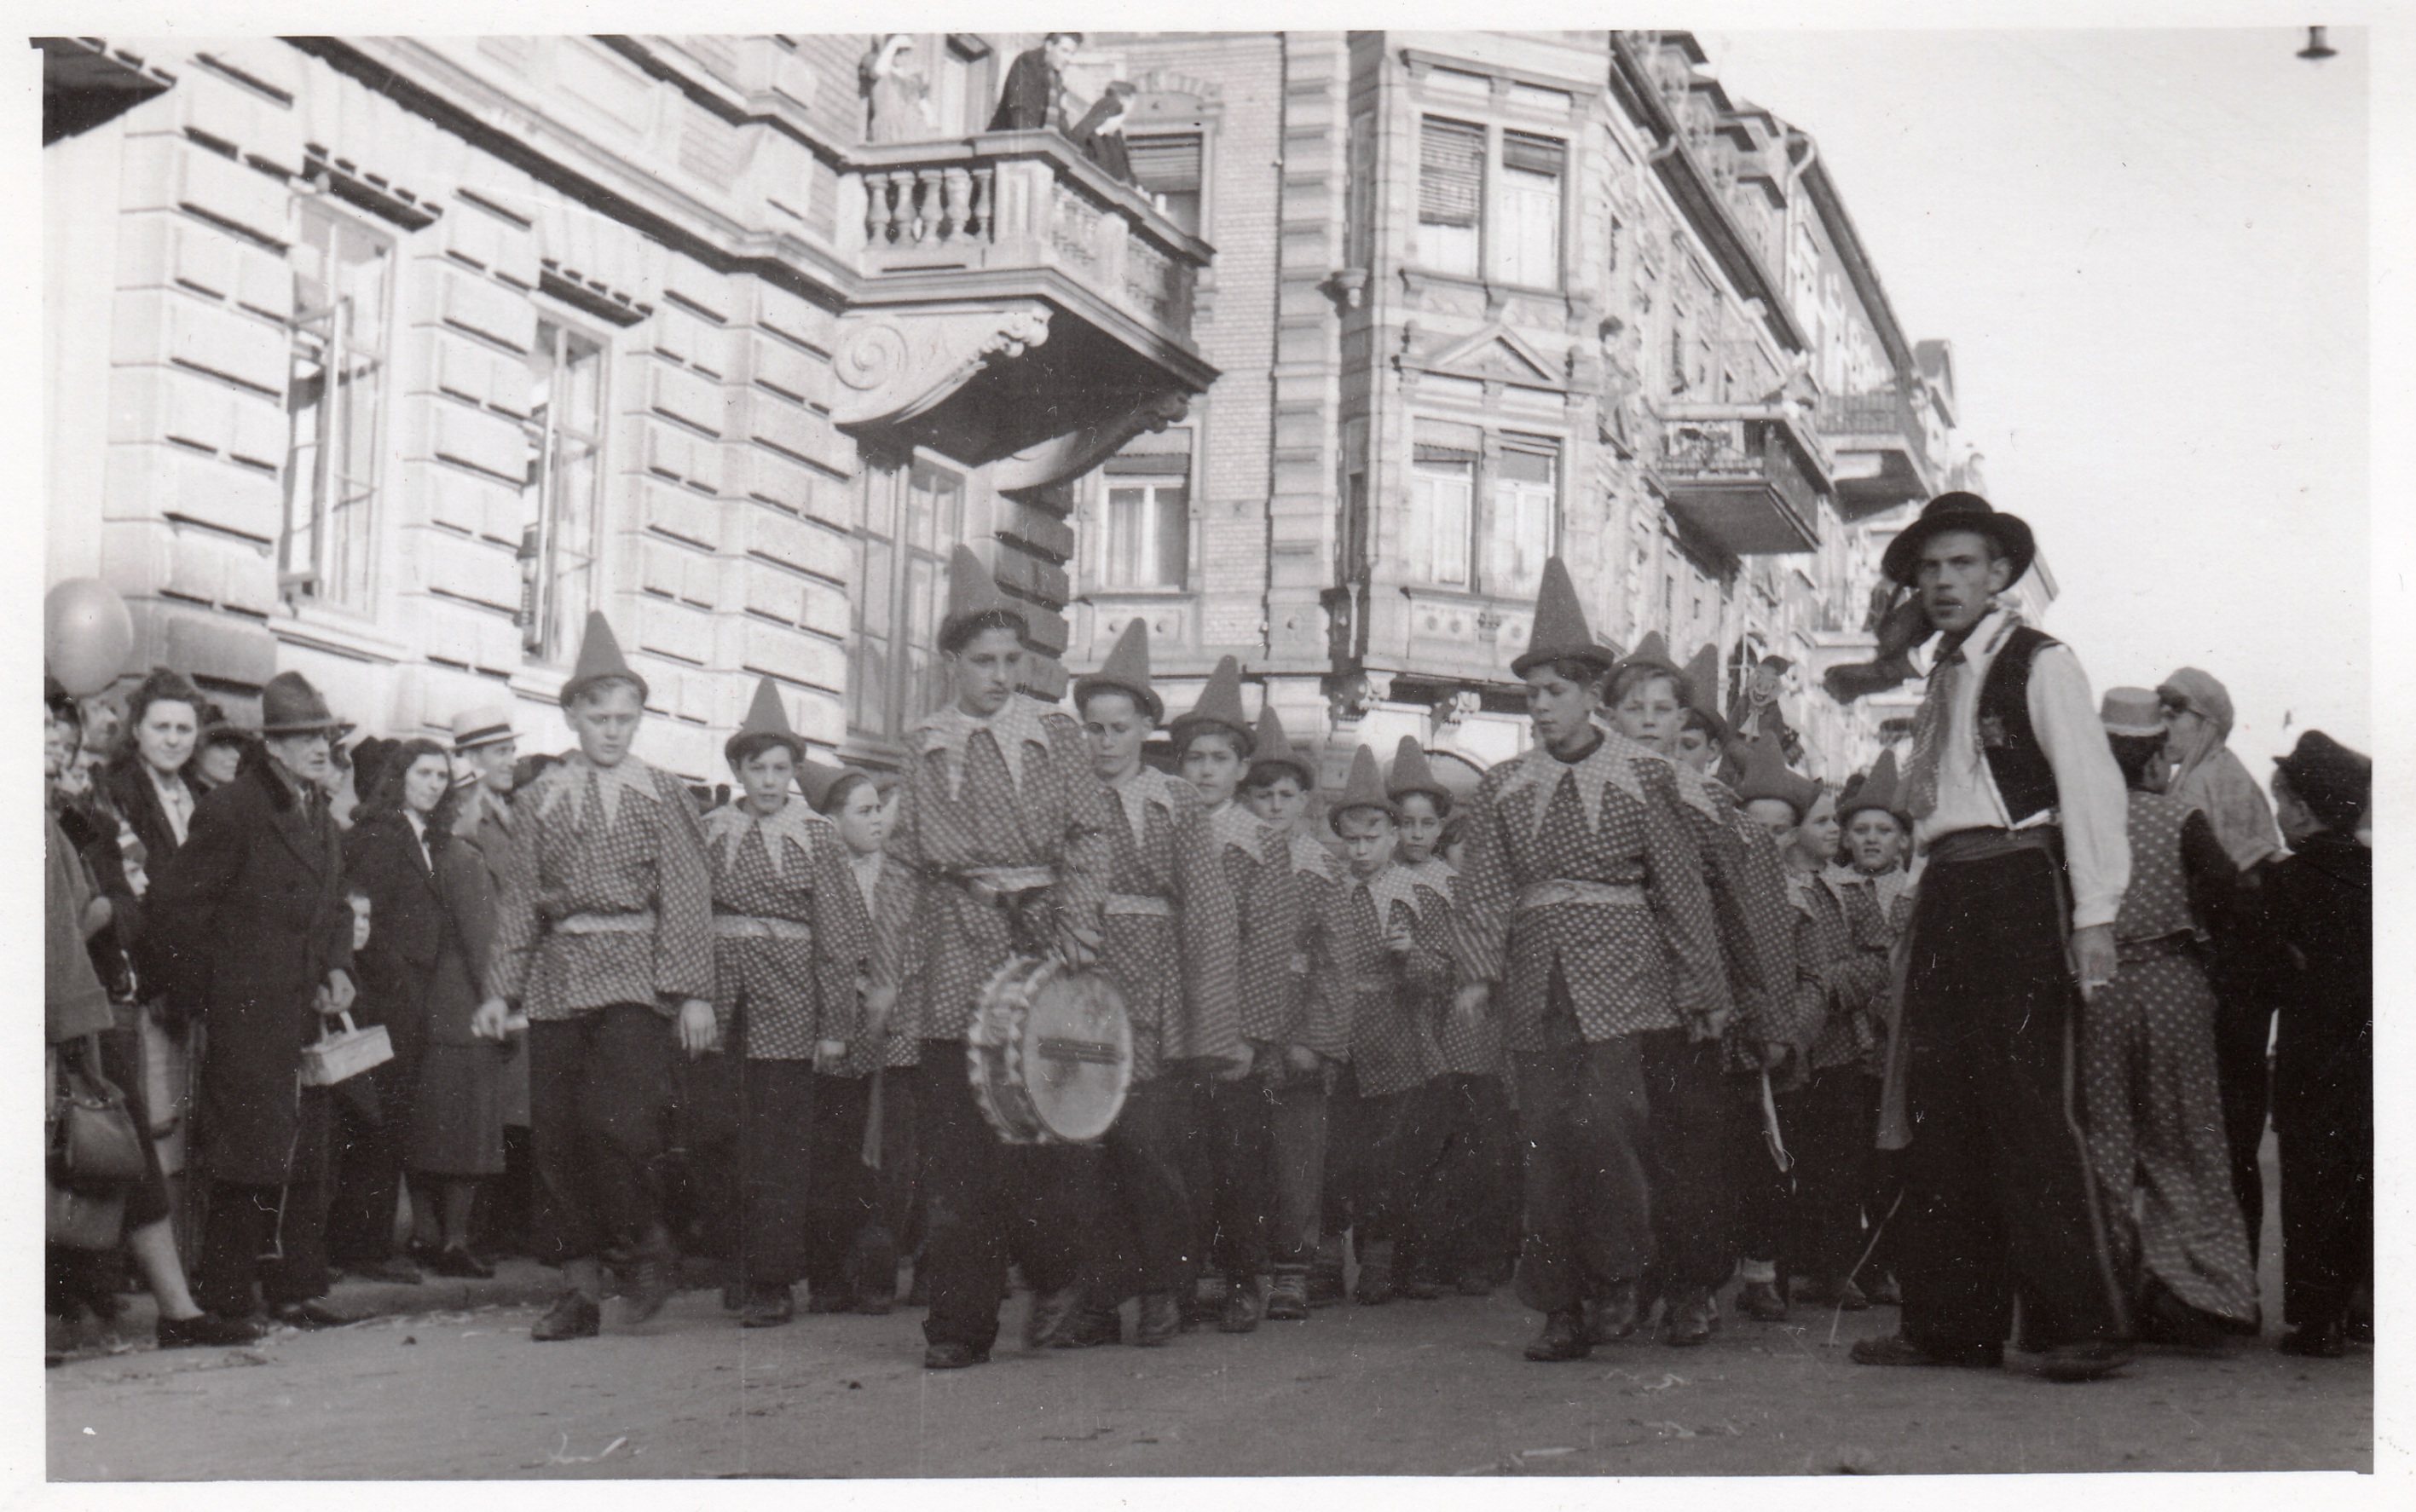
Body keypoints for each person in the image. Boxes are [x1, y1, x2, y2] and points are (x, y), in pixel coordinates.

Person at [1851, 492, 2133, 1383]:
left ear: (1999, 573)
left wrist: (2094, 916)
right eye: (1930, 568)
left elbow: (2090, 789)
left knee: (2026, 1106)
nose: (1943, 582)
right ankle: (1949, 1325)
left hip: (2017, 883)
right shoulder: (1942, 672)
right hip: (1948, 888)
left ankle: (2079, 1323)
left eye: (1962, 564)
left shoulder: (2040, 661)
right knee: (1940, 1110)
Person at [1453, 560, 1736, 1362]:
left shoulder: (1647, 778)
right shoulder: (1503, 786)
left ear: (1589, 695)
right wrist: (1475, 973)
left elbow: (1679, 889)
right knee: (1544, 1144)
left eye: (1553, 692)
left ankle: (1619, 1273)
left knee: (1609, 1132)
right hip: (1536, 987)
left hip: (1627, 987)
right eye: (1531, 695)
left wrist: (1703, 989)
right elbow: (1484, 889)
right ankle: (1561, 1307)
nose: (1539, 707)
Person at [865, 545, 1114, 1370]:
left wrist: (1077, 928)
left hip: (1042, 949)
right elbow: (902, 865)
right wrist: (887, 971)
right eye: (984, 662)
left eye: (1013, 660)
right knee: (958, 1155)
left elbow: (1089, 835)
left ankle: (1060, 1277)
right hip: (952, 958)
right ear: (953, 663)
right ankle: (958, 1326)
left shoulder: (1055, 736)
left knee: (1040, 1139)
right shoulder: (924, 745)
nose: (1002, 676)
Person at [472, 613, 715, 1342]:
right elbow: (521, 901)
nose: (612, 731)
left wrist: (693, 992)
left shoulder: (663, 794)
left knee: (620, 1126)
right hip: (558, 979)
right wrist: (500, 990)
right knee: (556, 1140)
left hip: (636, 976)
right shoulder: (539, 800)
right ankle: (578, 1290)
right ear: (571, 716)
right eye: (598, 717)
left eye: (625, 718)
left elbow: (686, 895)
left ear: (639, 719)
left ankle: (647, 1243)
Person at [46, 678, 260, 1348]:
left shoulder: (80, 811)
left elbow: (120, 898)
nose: (55, 744)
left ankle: (175, 1306)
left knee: (121, 1142)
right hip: (74, 996)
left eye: (60, 732)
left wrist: (98, 914)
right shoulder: (93, 799)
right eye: (45, 732)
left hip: (102, 996)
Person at [150, 671, 361, 1330]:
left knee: (301, 1154)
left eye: (325, 736)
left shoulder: (318, 812)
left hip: (303, 1015)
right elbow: (177, 910)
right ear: (272, 745)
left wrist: (338, 966)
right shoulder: (235, 808)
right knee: (245, 1156)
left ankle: (294, 1288)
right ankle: (228, 1295)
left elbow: (333, 906)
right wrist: (208, 999)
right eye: (304, 737)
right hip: (246, 1014)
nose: (320, 748)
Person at [1066, 619, 1246, 1345]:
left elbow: (1208, 909)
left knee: (1150, 1146)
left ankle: (1163, 1290)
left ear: (1147, 727)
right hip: (1077, 987)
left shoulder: (1175, 802)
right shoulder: (1063, 795)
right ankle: (1096, 1300)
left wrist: (1209, 1020)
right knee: (1086, 1148)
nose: (1106, 742)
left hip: (1155, 993)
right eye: (1094, 728)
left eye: (1120, 728)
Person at [2078, 690, 2259, 1352]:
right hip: (2174, 991)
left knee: (2104, 1141)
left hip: (2097, 990)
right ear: (2156, 758)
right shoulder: (2181, 818)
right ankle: (2205, 1294)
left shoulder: (2078, 822)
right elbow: (2232, 898)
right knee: (2187, 1139)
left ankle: (2104, 1292)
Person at [702, 678, 863, 1328]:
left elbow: (839, 935)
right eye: (757, 769)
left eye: (780, 769)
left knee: (778, 1147)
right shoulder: (711, 830)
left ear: (794, 772)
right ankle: (738, 1263)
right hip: (721, 1005)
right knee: (721, 1139)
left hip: (790, 1006)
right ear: (738, 771)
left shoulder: (818, 837)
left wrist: (834, 1026)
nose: (769, 781)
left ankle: (773, 1279)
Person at [350, 739, 508, 1279]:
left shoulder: (430, 840)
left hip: (415, 999)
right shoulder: (385, 836)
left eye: (441, 776)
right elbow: (369, 920)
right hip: (393, 995)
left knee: (400, 1124)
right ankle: (373, 1247)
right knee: (386, 1125)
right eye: (423, 774)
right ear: (400, 778)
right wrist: (402, 982)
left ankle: (394, 1241)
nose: (434, 785)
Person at [1165, 657, 1282, 1330]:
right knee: (1178, 1155)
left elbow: (1267, 947)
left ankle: (1244, 1277)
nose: (1205, 771)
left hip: (1230, 1020)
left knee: (1237, 1155)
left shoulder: (1260, 845)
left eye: (1219, 759)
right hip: (1169, 1015)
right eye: (1194, 759)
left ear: (1241, 769)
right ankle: (1179, 1280)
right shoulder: (1161, 829)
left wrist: (1251, 1034)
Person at [2154, 667, 2287, 1260]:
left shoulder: (2213, 783)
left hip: (2224, 983)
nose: (2164, 727)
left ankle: (2223, 1279)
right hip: (2228, 981)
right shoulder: (2210, 777)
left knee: (2219, 1138)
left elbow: (2239, 886)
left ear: (2206, 722)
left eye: (2174, 714)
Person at [1317, 744, 1452, 1305]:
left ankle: (1380, 1256)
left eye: (1372, 837)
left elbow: (1444, 972)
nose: (1361, 849)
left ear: (1394, 835)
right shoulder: (1332, 889)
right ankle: (1328, 1259)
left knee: (1390, 1159)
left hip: (1399, 1042)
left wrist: (1410, 956)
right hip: (1341, 1038)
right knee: (1335, 1154)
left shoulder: (1419, 894)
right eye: (1351, 839)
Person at [1238, 702, 1351, 1316]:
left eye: (1287, 795)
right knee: (1236, 1146)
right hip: (1233, 1018)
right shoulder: (1229, 854)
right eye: (1264, 795)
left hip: (1295, 1016)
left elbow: (1336, 960)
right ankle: (1234, 1264)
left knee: (1296, 1152)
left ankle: (1292, 1266)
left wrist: (1318, 1036)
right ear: (1246, 797)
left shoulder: (1322, 869)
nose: (1275, 806)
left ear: (1305, 801)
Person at [2260, 731, 2371, 1359]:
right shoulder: (2380, 876)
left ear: (2302, 810)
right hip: (2372, 1053)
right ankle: (2363, 1306)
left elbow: (2266, 972)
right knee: (2364, 1177)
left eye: (2281, 802)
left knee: (2310, 1182)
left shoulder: (2289, 880)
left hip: (2308, 1054)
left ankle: (2316, 1319)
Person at [800, 758, 919, 1315]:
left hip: (891, 1032)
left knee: (887, 1157)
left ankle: (876, 1274)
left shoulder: (894, 873)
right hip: (834, 1029)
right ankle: (829, 1276)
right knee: (834, 1155)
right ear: (831, 820)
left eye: (879, 810)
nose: (877, 820)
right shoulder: (819, 870)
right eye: (864, 811)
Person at [1393, 740, 1512, 1299]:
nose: (1415, 834)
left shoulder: (1458, 891)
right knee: (1421, 1151)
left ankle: (1475, 1256)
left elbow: (1462, 964)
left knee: (1475, 1152)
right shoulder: (1390, 879)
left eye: (1426, 824)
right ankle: (1420, 1257)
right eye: (1405, 823)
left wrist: (1417, 958)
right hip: (1416, 1039)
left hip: (1469, 1042)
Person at [1725, 739, 1832, 1323]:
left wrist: (1789, 1037)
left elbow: (1815, 978)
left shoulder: (1800, 900)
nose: (1764, 840)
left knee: (1771, 1163)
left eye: (1778, 831)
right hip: (1722, 1046)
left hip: (1779, 1055)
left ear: (1792, 836)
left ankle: (1761, 1274)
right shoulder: (1716, 890)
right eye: (1753, 827)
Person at [1802, 753, 1914, 1309]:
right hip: (1844, 1042)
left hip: (1898, 1046)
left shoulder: (1917, 893)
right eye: (1861, 830)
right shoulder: (1831, 889)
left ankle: (1881, 1265)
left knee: (1890, 1161)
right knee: (1840, 1156)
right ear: (1845, 838)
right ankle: (1835, 1263)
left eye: (1884, 831)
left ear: (1903, 840)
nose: (1872, 840)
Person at [448, 704, 533, 1259]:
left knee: (513, 1107)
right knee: (486, 1109)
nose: (511, 761)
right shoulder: (468, 817)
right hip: (487, 976)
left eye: (511, 751)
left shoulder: (507, 810)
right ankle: (477, 1230)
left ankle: (501, 1226)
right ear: (473, 758)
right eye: (501, 752)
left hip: (516, 972)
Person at [989, 32, 1081, 132]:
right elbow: (1019, 109)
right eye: (1064, 51)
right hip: (1006, 137)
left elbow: (1061, 120)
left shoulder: (1057, 79)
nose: (1068, 59)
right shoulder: (1027, 62)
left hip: (1035, 138)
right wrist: (1034, 139)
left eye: (1072, 54)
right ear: (1049, 46)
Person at [859, 34, 934, 143]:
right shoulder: (874, 61)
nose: (902, 56)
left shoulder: (912, 77)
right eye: (899, 52)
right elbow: (879, 71)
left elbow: (923, 102)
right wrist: (894, 43)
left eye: (906, 53)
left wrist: (931, 125)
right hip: (887, 128)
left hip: (909, 130)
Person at [1069, 82, 1137, 182]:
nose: (1119, 124)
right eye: (1119, 119)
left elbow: (1124, 170)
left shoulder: (1115, 137)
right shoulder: (1088, 138)